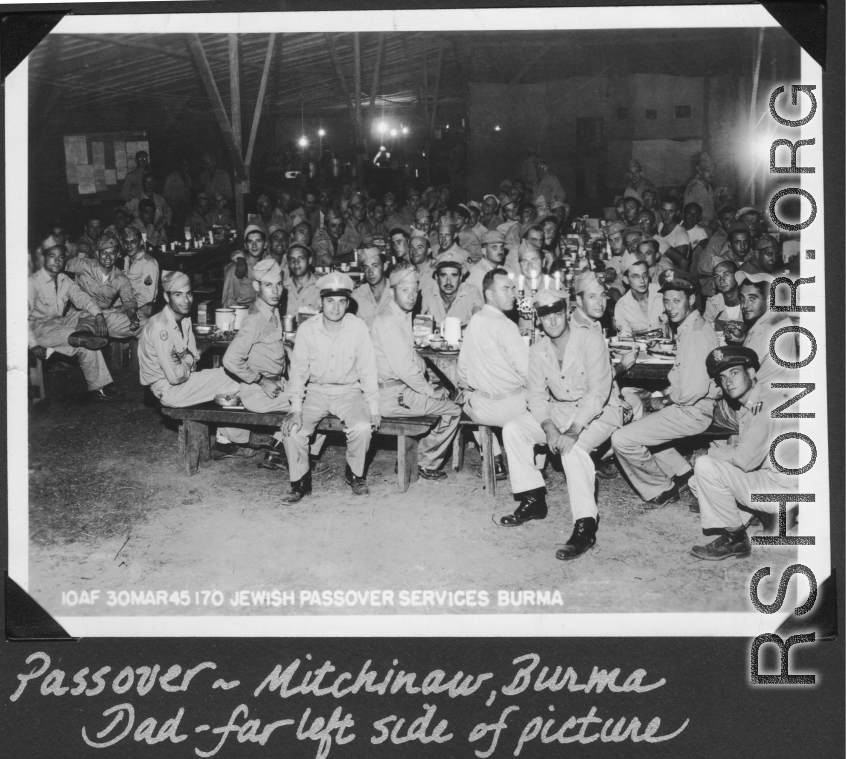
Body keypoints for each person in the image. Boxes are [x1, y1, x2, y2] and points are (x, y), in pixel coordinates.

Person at [500, 282, 622, 560]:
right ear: (539, 319)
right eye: (545, 316)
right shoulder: (538, 348)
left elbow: (598, 391)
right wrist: (550, 428)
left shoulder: (590, 339)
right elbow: (535, 395)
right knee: (514, 428)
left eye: (557, 313)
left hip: (599, 412)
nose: (552, 321)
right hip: (560, 411)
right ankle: (532, 499)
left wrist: (574, 430)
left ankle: (585, 526)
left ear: (567, 312)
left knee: (573, 450)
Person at [611, 269, 719, 507]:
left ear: (691, 300)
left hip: (694, 411)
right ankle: (682, 472)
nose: (670, 307)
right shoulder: (689, 327)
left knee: (621, 439)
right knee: (637, 414)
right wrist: (661, 397)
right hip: (688, 406)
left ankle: (662, 489)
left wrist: (666, 400)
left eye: (677, 301)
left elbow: (693, 391)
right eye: (667, 301)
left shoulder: (698, 334)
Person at [689, 346, 798, 560]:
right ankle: (773, 520)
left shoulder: (763, 405)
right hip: (784, 481)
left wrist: (707, 451)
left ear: (750, 373)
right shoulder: (759, 399)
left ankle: (736, 539)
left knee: (705, 466)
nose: (728, 381)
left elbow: (744, 460)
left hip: (786, 490)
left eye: (734, 373)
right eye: (722, 377)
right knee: (697, 482)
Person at [280, 272, 380, 501]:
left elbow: (367, 368)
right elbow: (298, 372)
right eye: (330, 301)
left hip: (348, 391)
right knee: (293, 430)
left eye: (341, 302)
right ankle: (300, 482)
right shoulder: (307, 329)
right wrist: (295, 409)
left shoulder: (357, 327)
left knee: (363, 427)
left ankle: (355, 474)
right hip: (315, 391)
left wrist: (374, 406)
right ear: (321, 302)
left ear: (347, 303)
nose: (336, 308)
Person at [138, 271, 248, 454]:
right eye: (178, 294)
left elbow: (194, 355)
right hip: (168, 390)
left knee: (229, 376)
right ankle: (236, 438)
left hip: (182, 382)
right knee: (235, 377)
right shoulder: (160, 328)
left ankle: (227, 438)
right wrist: (187, 360)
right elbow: (176, 375)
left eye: (188, 294)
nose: (186, 300)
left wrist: (187, 361)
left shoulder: (185, 318)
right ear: (166, 296)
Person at [371, 268, 462, 479]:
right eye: (405, 290)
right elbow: (403, 367)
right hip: (392, 396)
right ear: (392, 292)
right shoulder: (389, 321)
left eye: (414, 291)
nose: (411, 296)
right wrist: (429, 390)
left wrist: (425, 372)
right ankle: (425, 462)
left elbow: (410, 355)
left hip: (398, 391)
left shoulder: (400, 315)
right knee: (453, 410)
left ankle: (417, 455)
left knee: (445, 395)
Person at [457, 268, 530, 480]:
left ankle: (495, 459)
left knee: (464, 400)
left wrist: (470, 388)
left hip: (484, 410)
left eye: (513, 289)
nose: (513, 294)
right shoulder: (507, 325)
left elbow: (462, 370)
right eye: (506, 289)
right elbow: (527, 370)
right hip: (515, 409)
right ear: (489, 295)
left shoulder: (474, 322)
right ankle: (535, 464)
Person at [28, 236, 122, 401]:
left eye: (61, 257)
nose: (58, 261)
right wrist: (32, 343)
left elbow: (82, 298)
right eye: (52, 256)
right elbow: (20, 319)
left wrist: (98, 315)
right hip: (37, 331)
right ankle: (79, 337)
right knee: (78, 337)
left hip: (57, 323)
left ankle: (98, 388)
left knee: (85, 320)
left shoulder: (64, 279)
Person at [727, 272, 800, 386]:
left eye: (752, 298)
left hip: (763, 398)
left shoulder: (764, 328)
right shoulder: (778, 317)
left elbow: (740, 371)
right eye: (742, 298)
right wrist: (743, 340)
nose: (744, 305)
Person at [64, 236, 141, 338]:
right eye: (104, 253)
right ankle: (83, 336)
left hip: (104, 315)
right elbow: (60, 266)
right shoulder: (83, 265)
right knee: (87, 326)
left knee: (144, 324)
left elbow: (129, 303)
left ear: (118, 255)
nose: (108, 257)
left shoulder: (121, 279)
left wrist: (133, 317)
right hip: (79, 313)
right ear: (97, 254)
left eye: (112, 253)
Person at [421, 252, 483, 328]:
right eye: (443, 275)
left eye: (454, 276)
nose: (448, 282)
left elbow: (478, 322)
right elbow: (421, 326)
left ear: (460, 278)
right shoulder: (428, 292)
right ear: (437, 277)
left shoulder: (471, 293)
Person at [613, 253, 666, 337]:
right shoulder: (622, 306)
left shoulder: (662, 293)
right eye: (636, 276)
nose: (642, 280)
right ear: (626, 280)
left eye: (644, 275)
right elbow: (624, 339)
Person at [696, 205, 737, 297]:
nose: (731, 222)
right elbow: (727, 266)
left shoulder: (722, 232)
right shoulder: (722, 239)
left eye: (734, 218)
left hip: (710, 278)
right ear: (720, 222)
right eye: (727, 219)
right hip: (708, 283)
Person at [222, 226, 267, 308]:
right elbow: (228, 301)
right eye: (250, 242)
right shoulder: (236, 268)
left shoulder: (267, 266)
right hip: (241, 315)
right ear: (246, 246)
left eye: (258, 241)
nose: (254, 245)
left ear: (265, 245)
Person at [120, 226, 159, 319]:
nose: (129, 246)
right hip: (128, 306)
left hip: (142, 310)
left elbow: (147, 296)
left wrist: (124, 308)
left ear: (141, 242)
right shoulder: (126, 260)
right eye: (126, 242)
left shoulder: (148, 263)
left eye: (133, 242)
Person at [351, 247, 392, 329]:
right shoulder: (356, 297)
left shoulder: (397, 292)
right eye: (366, 267)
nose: (370, 272)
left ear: (384, 266)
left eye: (375, 266)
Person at [683, 152, 727, 228]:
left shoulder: (709, 187)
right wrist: (708, 224)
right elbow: (686, 214)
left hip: (710, 228)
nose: (711, 174)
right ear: (700, 171)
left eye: (713, 171)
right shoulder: (693, 189)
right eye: (707, 171)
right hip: (698, 228)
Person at [703, 260, 742, 342]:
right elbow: (705, 333)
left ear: (737, 276)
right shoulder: (713, 303)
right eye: (717, 276)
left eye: (726, 274)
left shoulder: (749, 301)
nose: (721, 280)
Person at [466, 231, 514, 295]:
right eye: (495, 248)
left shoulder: (505, 269)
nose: (500, 251)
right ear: (484, 251)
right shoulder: (477, 274)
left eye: (501, 247)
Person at [282, 244, 321, 317]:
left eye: (301, 258)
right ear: (288, 262)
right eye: (292, 259)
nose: (296, 262)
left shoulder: (320, 288)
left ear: (309, 260)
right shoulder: (283, 288)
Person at [656, 196, 691, 262]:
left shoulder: (680, 235)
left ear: (677, 212)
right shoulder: (660, 225)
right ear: (660, 211)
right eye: (664, 211)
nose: (666, 215)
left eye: (670, 211)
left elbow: (682, 263)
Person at [163, 157, 194, 230]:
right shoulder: (170, 177)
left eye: (186, 165)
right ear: (178, 165)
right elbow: (166, 197)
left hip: (185, 210)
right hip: (175, 211)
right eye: (182, 164)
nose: (184, 167)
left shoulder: (188, 178)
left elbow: (190, 194)